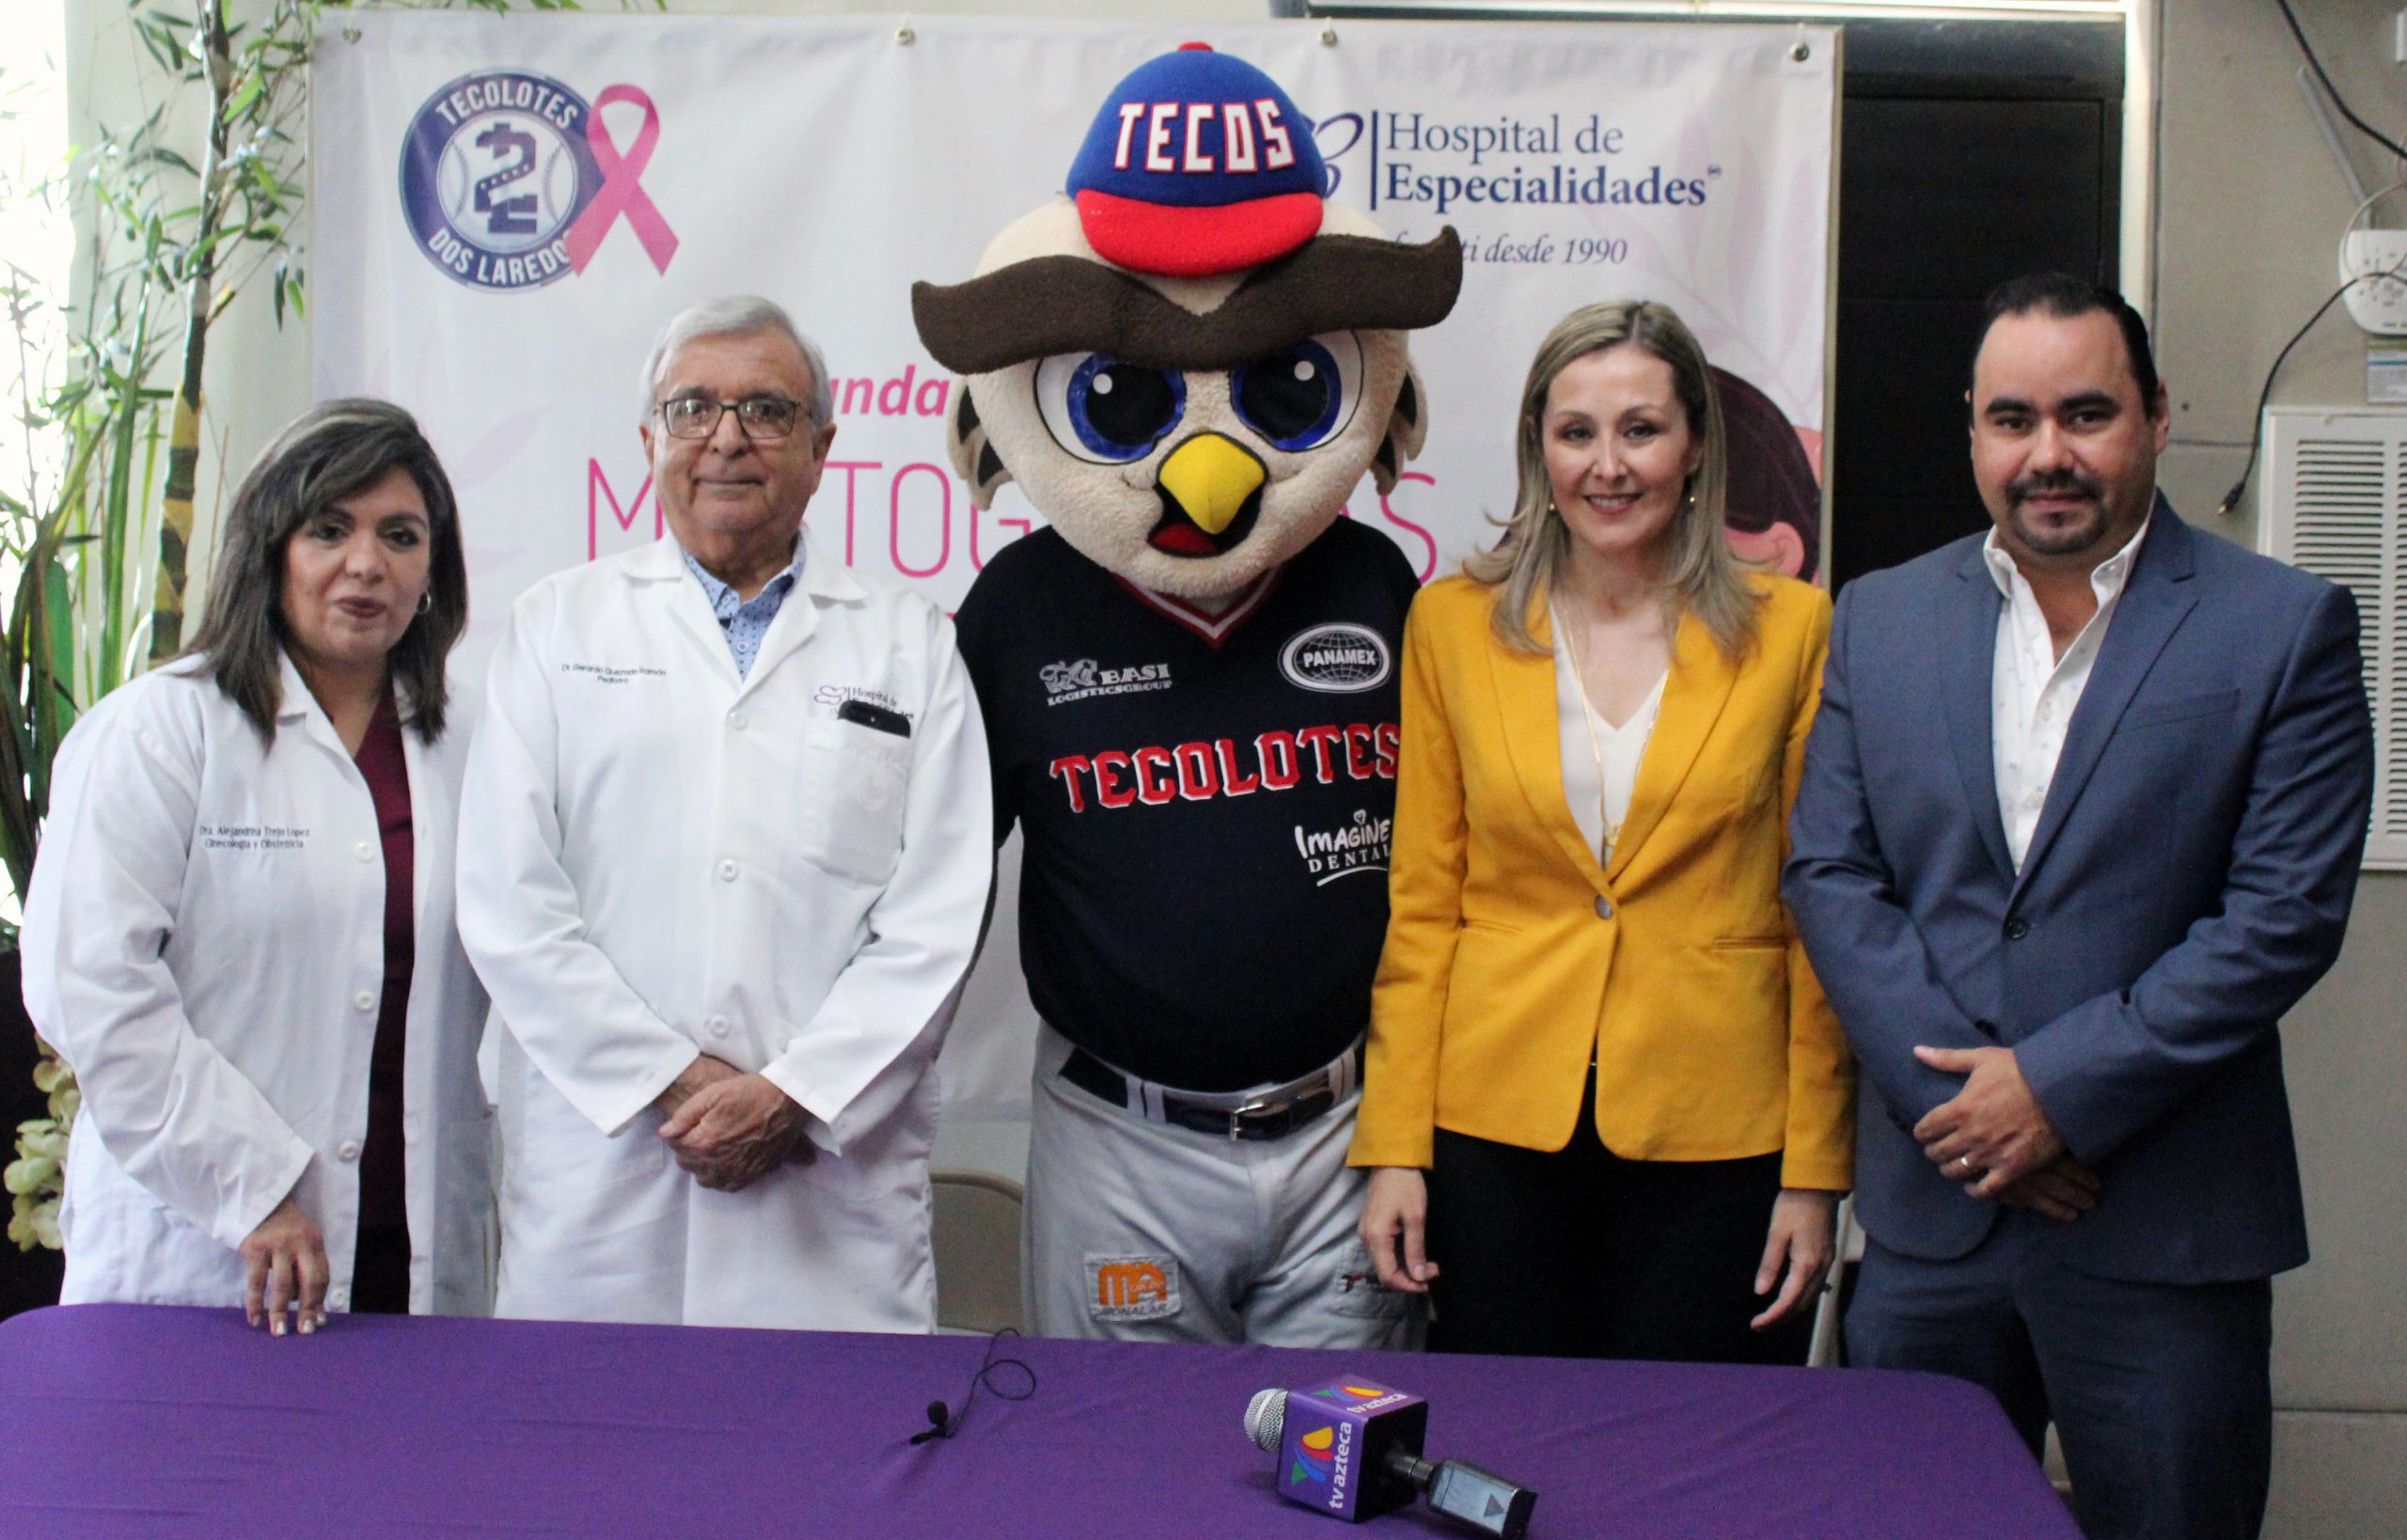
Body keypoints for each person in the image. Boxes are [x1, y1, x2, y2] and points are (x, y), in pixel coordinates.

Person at [1783, 274, 2373, 1540]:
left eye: (2086, 413)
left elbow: (2281, 915)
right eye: (2012, 419)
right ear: (1973, 430)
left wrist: (2052, 1092)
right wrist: (1968, 1112)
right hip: (1935, 1222)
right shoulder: (1878, 618)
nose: (2047, 453)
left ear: (2156, 416)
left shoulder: (2284, 628)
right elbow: (1830, 874)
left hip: (2161, 1228)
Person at [455, 295, 990, 1331]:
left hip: (824, 1197)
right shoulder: (555, 629)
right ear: (648, 440)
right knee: (589, 1426)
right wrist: (666, 1079)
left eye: (767, 411)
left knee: (824, 1432)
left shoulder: (911, 644)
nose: (727, 438)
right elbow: (510, 905)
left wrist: (794, 1095)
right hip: (605, 1185)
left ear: (823, 448)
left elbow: (937, 918)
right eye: (692, 408)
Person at [1351, 300, 1855, 1361]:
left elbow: (1820, 918)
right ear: (1537, 446)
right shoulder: (1452, 624)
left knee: (1700, 1439)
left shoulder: (1793, 631)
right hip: (1493, 1122)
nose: (1608, 466)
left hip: (1718, 1126)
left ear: (1697, 445)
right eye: (1576, 432)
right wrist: (1393, 1146)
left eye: (1641, 429)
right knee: (1508, 1433)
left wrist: (1816, 1170)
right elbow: (1422, 906)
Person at [21, 399, 492, 1332]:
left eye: (400, 536)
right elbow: (92, 989)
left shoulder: (476, 740)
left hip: (411, 1236)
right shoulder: (157, 733)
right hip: (206, 1244)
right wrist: (250, 1187)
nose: (367, 564)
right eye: (329, 530)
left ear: (433, 570)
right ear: (268, 549)